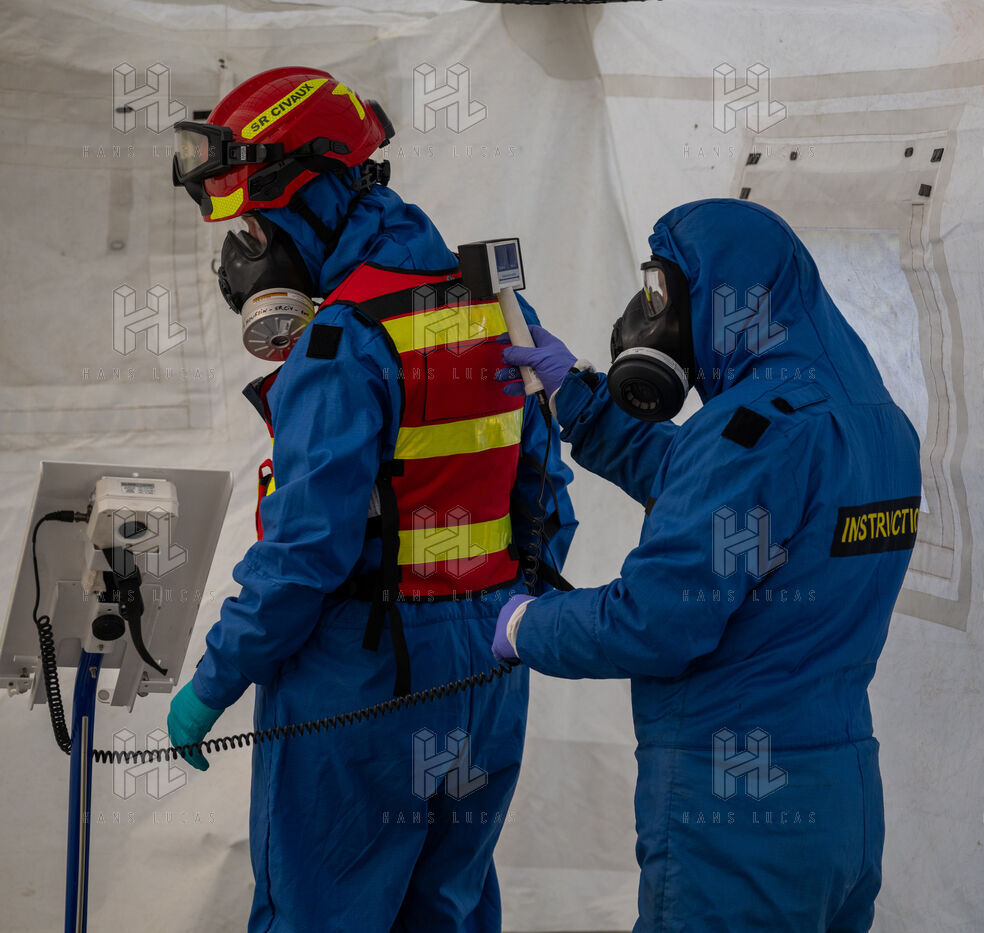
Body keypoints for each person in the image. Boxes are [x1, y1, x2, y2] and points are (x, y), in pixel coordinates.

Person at [164, 66, 575, 932]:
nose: (246, 253)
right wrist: (505, 607)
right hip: (490, 670)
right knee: (447, 907)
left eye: (254, 225)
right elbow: (549, 495)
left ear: (309, 198)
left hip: (362, 679)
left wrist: (213, 682)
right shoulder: (495, 304)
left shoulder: (341, 342)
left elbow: (302, 555)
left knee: (322, 911)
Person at [491, 198, 921, 932]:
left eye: (662, 291)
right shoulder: (871, 419)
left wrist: (524, 625)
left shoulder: (749, 434)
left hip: (736, 816)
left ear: (722, 296)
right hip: (841, 796)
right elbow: (729, 497)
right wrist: (580, 403)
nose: (649, 314)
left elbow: (653, 623)